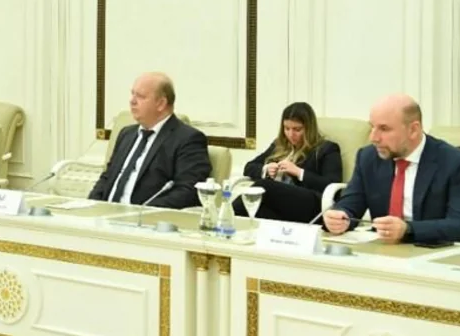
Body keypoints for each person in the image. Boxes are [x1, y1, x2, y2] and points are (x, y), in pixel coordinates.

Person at [322, 94, 460, 245]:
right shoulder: (368, 157)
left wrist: (407, 229)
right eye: (372, 127)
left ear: (413, 130)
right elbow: (351, 203)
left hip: (437, 250)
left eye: (384, 129)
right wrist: (340, 217)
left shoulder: (455, 162)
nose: (373, 138)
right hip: (386, 251)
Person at [88, 72, 210, 207]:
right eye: (132, 94)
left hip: (145, 216)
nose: (132, 101)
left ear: (161, 104)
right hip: (106, 213)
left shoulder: (188, 139)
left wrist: (142, 212)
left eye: (140, 96)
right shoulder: (126, 134)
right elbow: (107, 177)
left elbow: (188, 191)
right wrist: (92, 205)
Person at [237, 102, 342, 223]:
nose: (291, 134)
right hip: (282, 208)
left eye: (297, 129)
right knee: (253, 211)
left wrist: (299, 172)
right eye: (286, 128)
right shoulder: (279, 145)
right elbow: (249, 167)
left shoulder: (327, 149)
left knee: (264, 186)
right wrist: (266, 169)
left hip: (310, 205)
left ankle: (225, 218)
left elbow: (331, 184)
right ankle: (225, 226)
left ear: (309, 128)